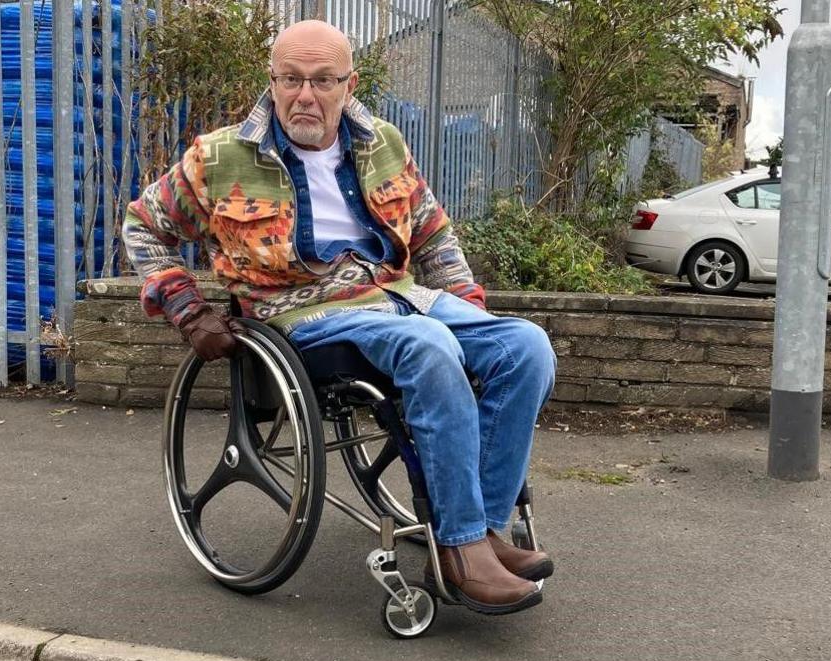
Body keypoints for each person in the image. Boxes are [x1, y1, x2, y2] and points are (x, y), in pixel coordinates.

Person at [122, 19, 557, 613]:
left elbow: (433, 236)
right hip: (302, 315)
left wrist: (465, 307)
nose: (306, 95)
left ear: (347, 84)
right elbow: (144, 227)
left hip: (401, 298)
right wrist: (187, 308)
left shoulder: (382, 142)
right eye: (292, 79)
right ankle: (458, 553)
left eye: (322, 80)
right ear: (271, 82)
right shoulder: (220, 156)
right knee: (427, 346)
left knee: (525, 347)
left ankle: (479, 528)